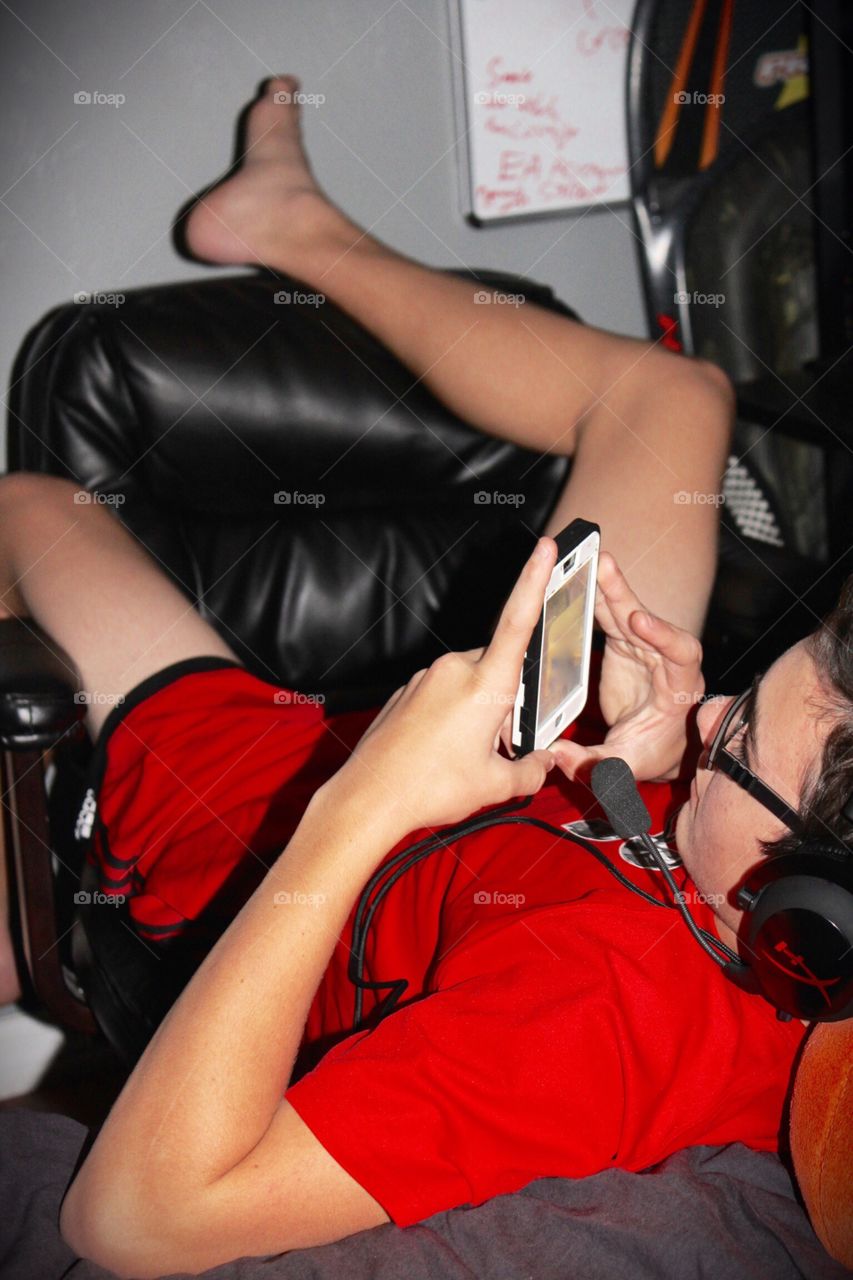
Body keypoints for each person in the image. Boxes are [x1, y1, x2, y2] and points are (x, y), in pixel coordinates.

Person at [0, 76, 792, 1276]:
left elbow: (131, 1222)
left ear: (818, 910)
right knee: (672, 397)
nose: (713, 705)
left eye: (733, 743)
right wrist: (674, 754)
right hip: (535, 781)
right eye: (750, 692)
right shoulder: (746, 867)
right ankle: (286, 225)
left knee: (23, 513)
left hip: (274, 833)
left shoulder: (593, 1025)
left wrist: (361, 799)